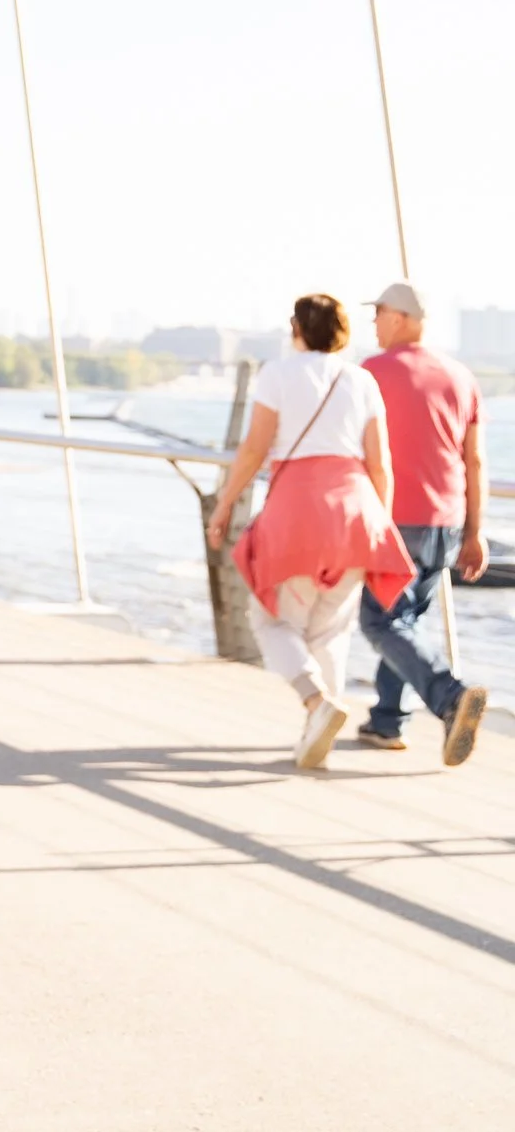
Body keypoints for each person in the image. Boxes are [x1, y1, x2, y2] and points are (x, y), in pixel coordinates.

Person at [207, 292, 414, 769]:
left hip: (297, 512)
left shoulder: (278, 373)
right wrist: (379, 524)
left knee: (270, 620)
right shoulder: (361, 379)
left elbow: (255, 449)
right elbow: (380, 464)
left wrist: (225, 505)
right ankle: (314, 737)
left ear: (298, 329)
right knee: (330, 632)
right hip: (355, 513)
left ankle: (315, 705)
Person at [356, 280, 489, 761]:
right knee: (405, 620)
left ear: (400, 318)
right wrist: (475, 532)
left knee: (380, 622)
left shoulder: (369, 373)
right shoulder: (460, 376)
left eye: (378, 314)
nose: (373, 323)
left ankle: (450, 696)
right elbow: (474, 461)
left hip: (393, 518)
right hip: (446, 522)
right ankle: (387, 721)